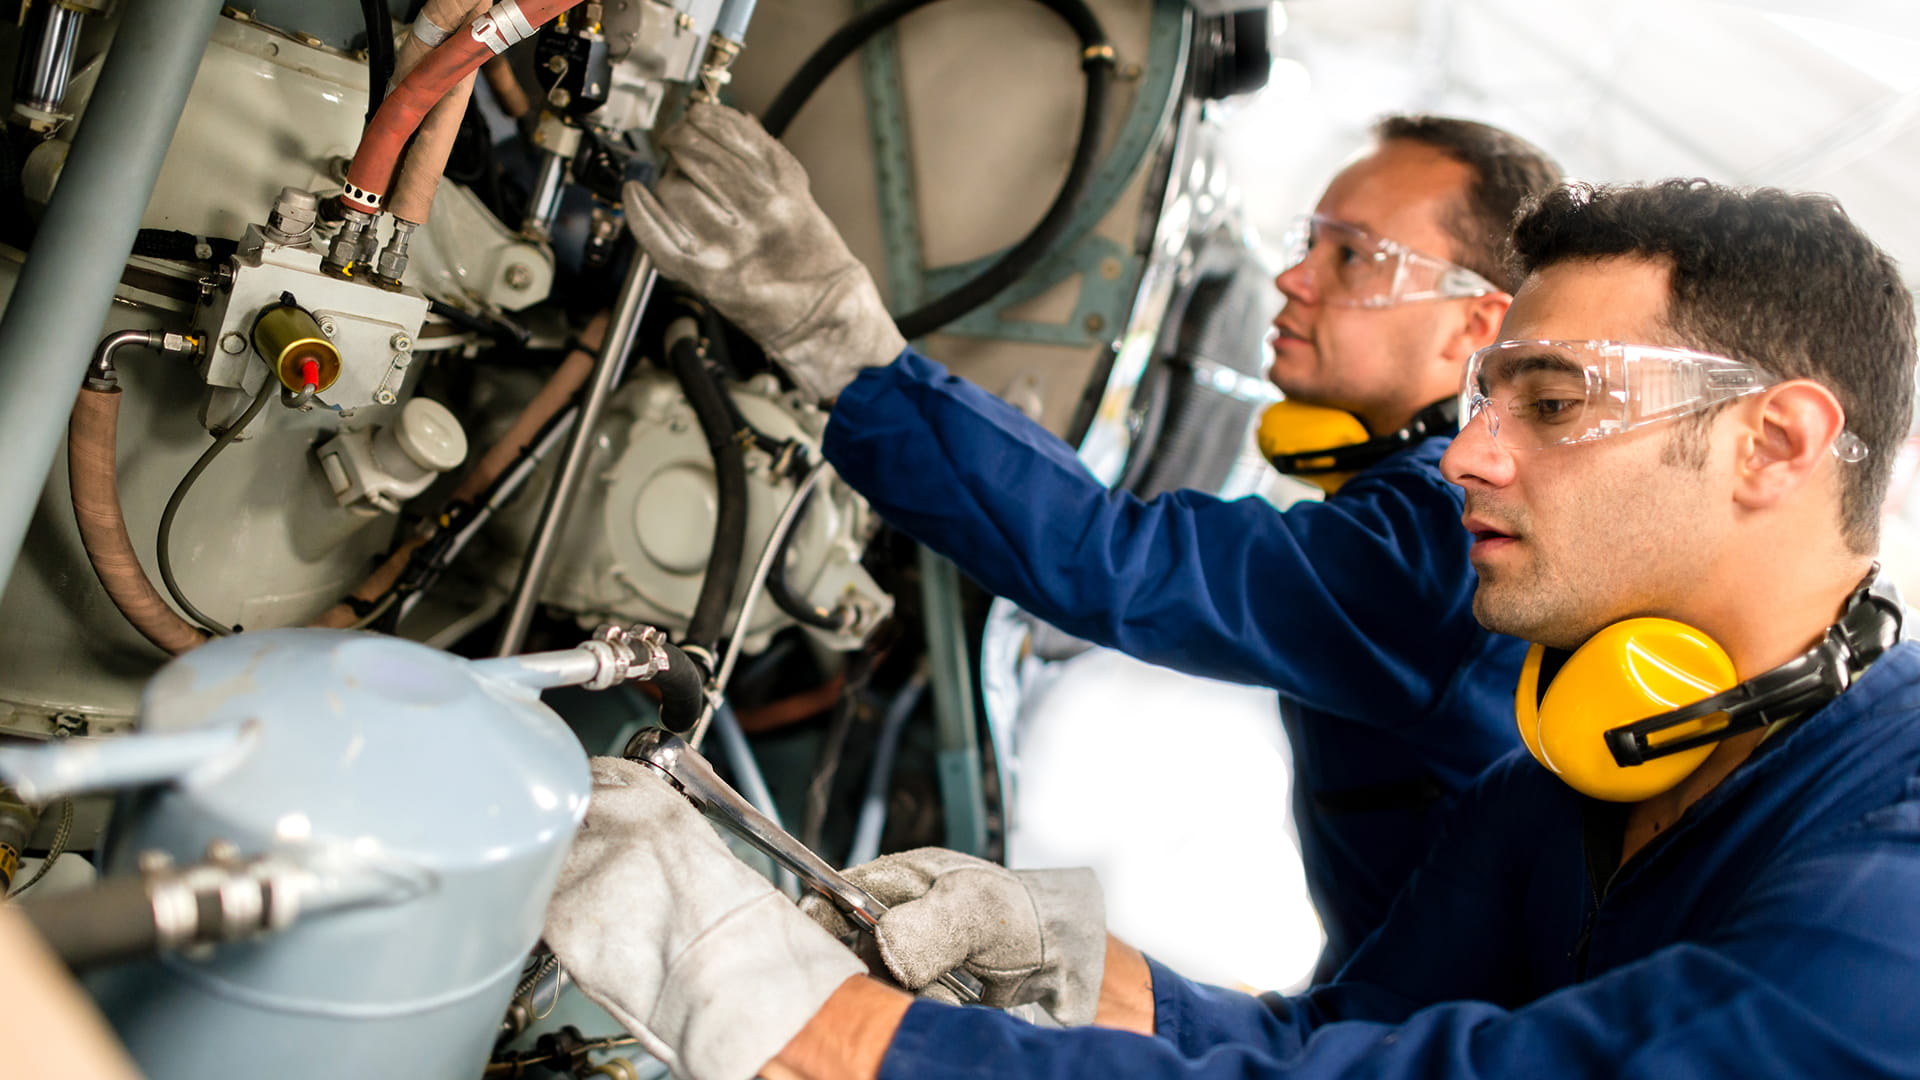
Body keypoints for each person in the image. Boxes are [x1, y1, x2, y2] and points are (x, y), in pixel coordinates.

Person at [544, 177, 1920, 1079]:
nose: (1464, 460)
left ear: (1772, 445)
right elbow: (1347, 1039)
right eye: (1486, 401)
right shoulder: (1552, 793)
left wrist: (816, 1028)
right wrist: (1075, 963)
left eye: (1551, 406)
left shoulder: (1895, 876)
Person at [621, 102, 1561, 974]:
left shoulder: (1444, 537)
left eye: (1352, 255)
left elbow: (1121, 561)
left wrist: (839, 339)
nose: (1292, 276)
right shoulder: (1424, 511)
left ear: (1475, 325)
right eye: (1307, 239)